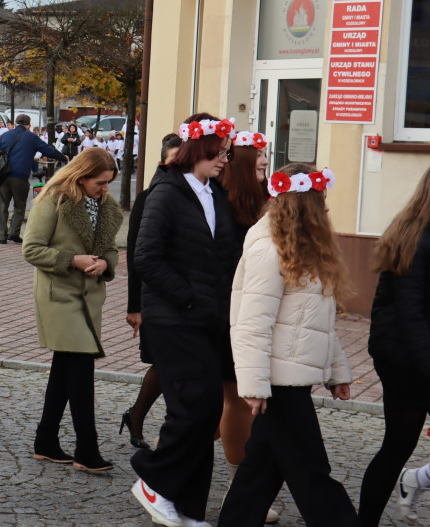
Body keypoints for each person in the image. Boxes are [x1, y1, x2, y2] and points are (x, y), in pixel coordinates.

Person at [219, 163, 357, 526]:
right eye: (321, 201)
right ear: (304, 206)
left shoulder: (305, 247)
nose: (327, 208)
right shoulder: (269, 249)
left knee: (258, 473)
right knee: (312, 471)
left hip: (289, 375)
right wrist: (253, 385)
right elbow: (251, 324)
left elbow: (318, 323)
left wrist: (336, 371)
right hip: (278, 382)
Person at [130, 113, 240, 527]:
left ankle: (188, 507)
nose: (224, 160)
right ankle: (153, 480)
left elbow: (224, 257)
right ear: (198, 149)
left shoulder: (214, 193)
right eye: (219, 152)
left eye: (227, 153)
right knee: (191, 409)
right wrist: (190, 299)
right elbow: (146, 259)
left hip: (208, 322)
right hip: (174, 322)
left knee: (209, 408)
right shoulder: (167, 193)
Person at [24, 147, 121, 470]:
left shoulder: (107, 206)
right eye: (100, 182)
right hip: (58, 297)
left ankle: (45, 440)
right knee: (81, 370)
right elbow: (32, 249)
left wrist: (106, 262)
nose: (105, 189)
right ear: (81, 177)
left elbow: (109, 248)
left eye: (109, 182)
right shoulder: (53, 201)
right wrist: (72, 260)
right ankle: (86, 448)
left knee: (66, 371)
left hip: (89, 297)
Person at [359, 164, 430, 525]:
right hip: (406, 361)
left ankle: (415, 480)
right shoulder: (416, 238)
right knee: (397, 447)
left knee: (397, 448)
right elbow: (411, 316)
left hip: (414, 354)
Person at [213, 129, 278, 523]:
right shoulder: (222, 205)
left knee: (235, 404)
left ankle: (169, 457)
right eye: (259, 159)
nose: (265, 164)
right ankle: (238, 491)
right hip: (229, 317)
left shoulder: (260, 201)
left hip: (250, 315)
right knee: (236, 402)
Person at [122, 132, 182, 452]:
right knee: (164, 363)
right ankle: (140, 418)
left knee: (167, 364)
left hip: (180, 300)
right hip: (153, 299)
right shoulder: (149, 198)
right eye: (173, 162)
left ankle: (137, 416)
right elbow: (135, 258)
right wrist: (135, 307)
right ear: (163, 162)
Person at [0, 114, 67, 245]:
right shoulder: (31, 137)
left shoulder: (5, 136)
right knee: (19, 205)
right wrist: (62, 157)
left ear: (15, 124)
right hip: (20, 176)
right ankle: (13, 232)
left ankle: (1, 236)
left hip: (2, 175)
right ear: (28, 125)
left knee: (1, 206)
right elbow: (48, 150)